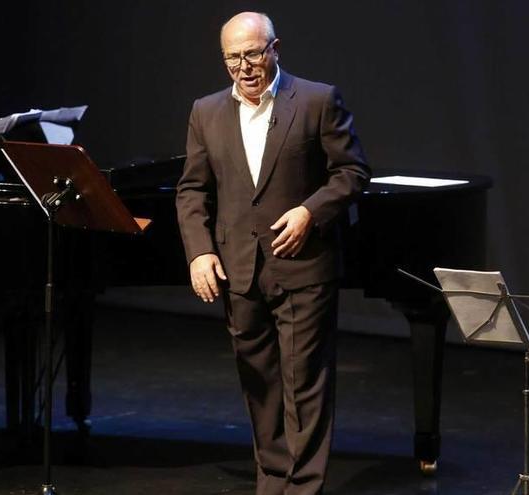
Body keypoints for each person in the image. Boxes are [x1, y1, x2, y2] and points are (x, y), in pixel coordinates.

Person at [176, 12, 370, 495]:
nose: (243, 66)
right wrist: (200, 252)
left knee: (304, 385)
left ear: (275, 48)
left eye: (253, 53)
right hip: (239, 270)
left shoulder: (316, 100)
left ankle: (303, 488)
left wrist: (310, 211)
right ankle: (272, 482)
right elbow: (192, 191)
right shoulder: (206, 111)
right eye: (232, 57)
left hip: (304, 267)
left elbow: (351, 172)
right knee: (260, 387)